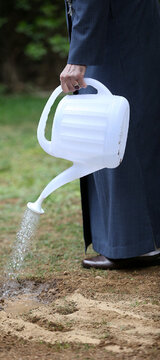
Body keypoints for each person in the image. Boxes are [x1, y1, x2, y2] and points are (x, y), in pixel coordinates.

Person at [60, 0, 160, 269]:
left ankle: (130, 246)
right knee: (138, 129)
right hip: (133, 31)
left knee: (114, 135)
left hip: (115, 40)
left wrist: (78, 58)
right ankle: (143, 241)